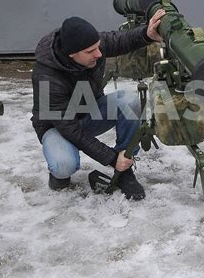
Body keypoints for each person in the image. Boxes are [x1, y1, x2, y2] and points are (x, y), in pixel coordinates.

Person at [31, 10, 165, 199]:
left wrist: (146, 35)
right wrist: (111, 159)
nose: (99, 54)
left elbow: (120, 40)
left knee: (129, 101)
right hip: (57, 127)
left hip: (89, 112)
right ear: (72, 54)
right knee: (63, 165)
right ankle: (59, 174)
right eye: (90, 52)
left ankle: (125, 168)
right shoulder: (46, 77)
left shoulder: (90, 44)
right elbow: (70, 128)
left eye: (98, 47)